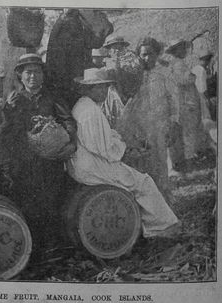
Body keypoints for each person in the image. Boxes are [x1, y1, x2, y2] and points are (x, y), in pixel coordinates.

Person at [67, 68, 179, 239]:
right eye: (98, 88)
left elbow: (101, 137)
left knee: (134, 174)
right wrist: (124, 146)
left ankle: (147, 224)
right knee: (144, 182)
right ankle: (160, 227)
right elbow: (104, 149)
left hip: (84, 162)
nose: (103, 92)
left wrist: (119, 140)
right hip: (93, 166)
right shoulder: (90, 112)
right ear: (87, 89)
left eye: (105, 87)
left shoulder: (84, 105)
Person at [0, 54, 77, 256]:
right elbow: (6, 132)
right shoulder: (15, 99)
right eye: (28, 72)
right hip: (24, 162)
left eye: (37, 71)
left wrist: (69, 141)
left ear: (43, 75)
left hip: (49, 161)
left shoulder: (52, 98)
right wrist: (8, 110)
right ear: (20, 76)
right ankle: (30, 249)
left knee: (51, 201)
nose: (33, 76)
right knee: (27, 203)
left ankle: (53, 249)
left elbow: (68, 120)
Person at [116, 37, 180, 203]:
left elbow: (174, 100)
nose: (147, 58)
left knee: (160, 165)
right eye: (143, 55)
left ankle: (164, 202)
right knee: (142, 166)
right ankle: (146, 204)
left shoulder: (165, 74)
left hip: (160, 128)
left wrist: (174, 124)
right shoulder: (134, 74)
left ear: (157, 54)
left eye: (150, 54)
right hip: (139, 129)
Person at [45, 9, 113, 108]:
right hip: (63, 85)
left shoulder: (80, 24)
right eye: (101, 33)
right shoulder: (70, 23)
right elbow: (61, 66)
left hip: (71, 82)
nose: (101, 39)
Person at [165, 39, 206, 170]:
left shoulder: (178, 63)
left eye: (184, 48)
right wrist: (192, 76)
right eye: (180, 48)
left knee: (187, 133)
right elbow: (184, 80)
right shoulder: (177, 64)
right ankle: (188, 163)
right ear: (175, 51)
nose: (183, 50)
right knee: (188, 133)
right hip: (186, 104)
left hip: (186, 102)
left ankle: (185, 161)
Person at [103, 36, 143, 104]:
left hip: (130, 92)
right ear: (110, 50)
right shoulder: (107, 62)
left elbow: (137, 72)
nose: (117, 50)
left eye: (120, 48)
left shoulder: (131, 60)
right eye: (115, 48)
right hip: (114, 94)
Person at [191, 50, 216, 122]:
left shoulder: (195, 68)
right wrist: (207, 98)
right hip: (201, 95)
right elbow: (202, 87)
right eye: (208, 60)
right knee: (205, 115)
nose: (207, 63)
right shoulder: (201, 70)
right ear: (206, 60)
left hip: (195, 95)